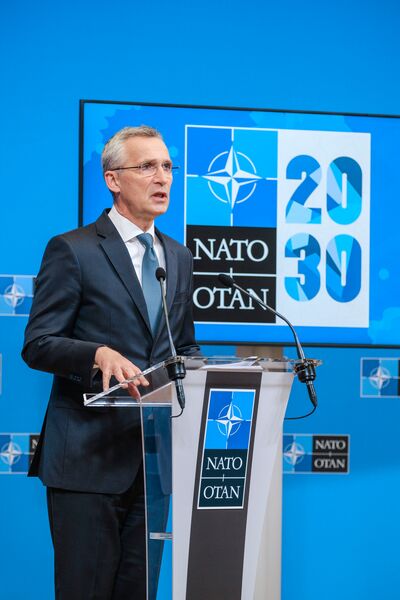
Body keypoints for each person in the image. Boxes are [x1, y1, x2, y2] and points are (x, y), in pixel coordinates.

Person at [22, 125, 199, 599]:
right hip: (87, 460)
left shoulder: (178, 258)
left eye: (167, 167)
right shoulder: (74, 249)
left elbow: (184, 349)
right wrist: (96, 354)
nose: (162, 177)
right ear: (113, 179)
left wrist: (206, 377)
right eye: (147, 166)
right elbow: (38, 342)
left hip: (153, 465)